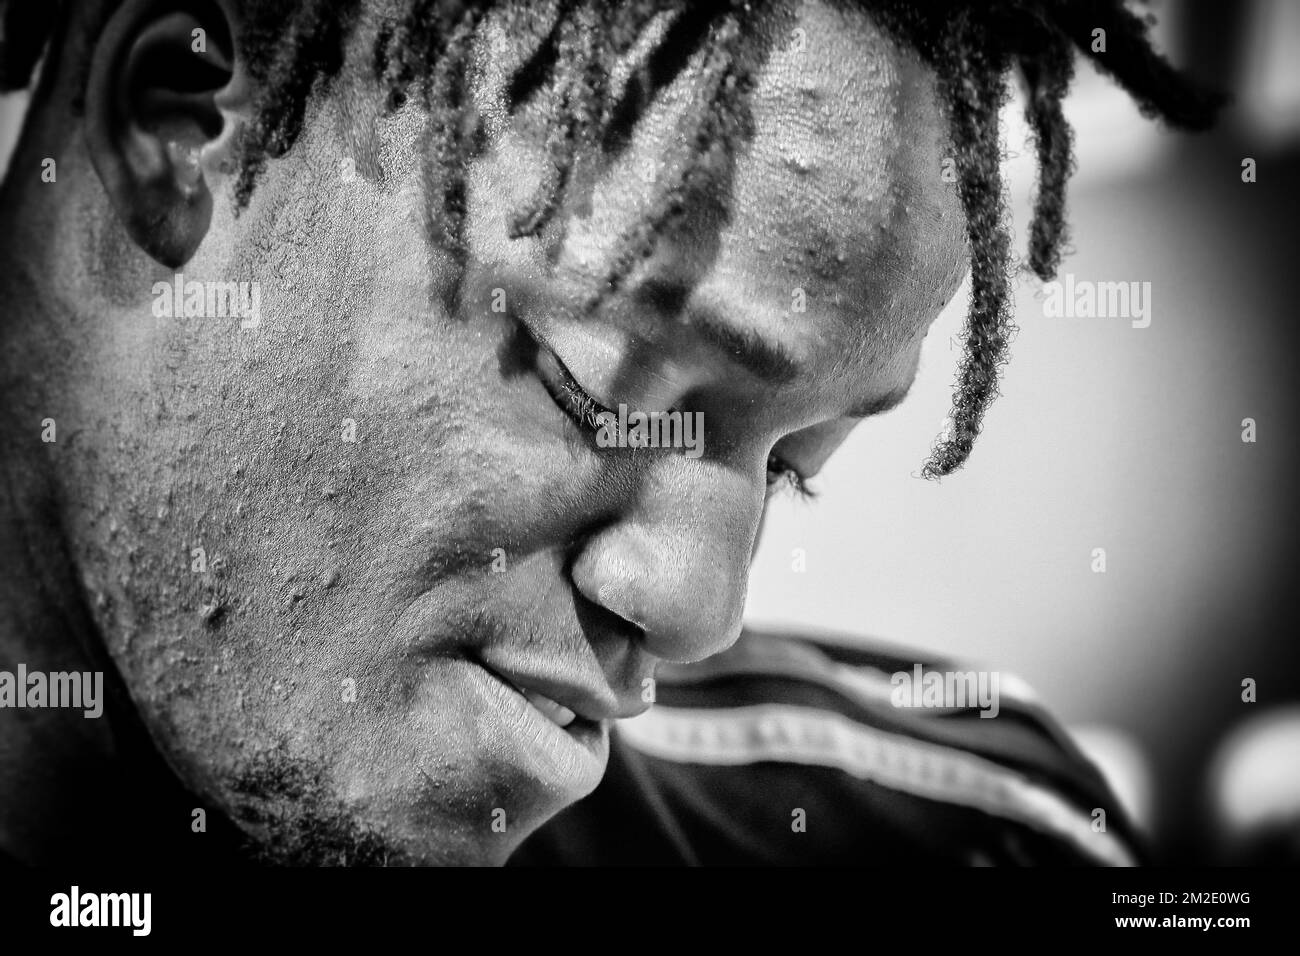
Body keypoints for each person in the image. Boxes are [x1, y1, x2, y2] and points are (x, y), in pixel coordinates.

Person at [0, 0, 1217, 865]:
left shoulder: (969, 840)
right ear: (177, 121)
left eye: (794, 466)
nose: (696, 608)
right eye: (601, 387)